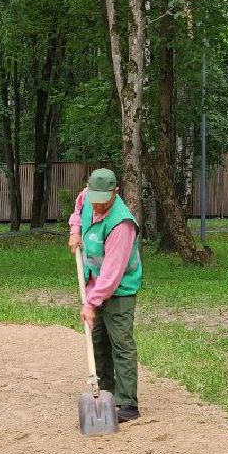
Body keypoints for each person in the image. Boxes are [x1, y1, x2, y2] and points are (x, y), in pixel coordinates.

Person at [67, 167, 142, 423]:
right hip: (94, 282)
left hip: (119, 289)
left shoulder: (122, 224)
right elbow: (77, 210)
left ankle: (128, 404)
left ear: (115, 193)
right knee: (97, 339)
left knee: (120, 342)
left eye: (103, 202)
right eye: (94, 200)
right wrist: (74, 231)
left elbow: (111, 275)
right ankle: (105, 392)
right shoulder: (87, 196)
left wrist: (90, 304)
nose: (96, 207)